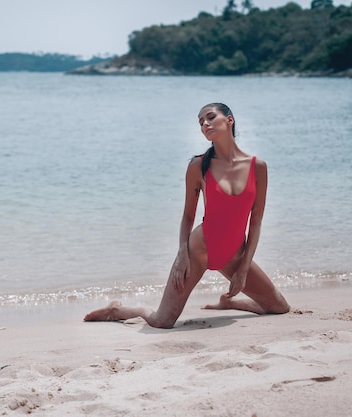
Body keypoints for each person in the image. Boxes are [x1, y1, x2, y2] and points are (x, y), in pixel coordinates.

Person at [84, 103, 290, 328]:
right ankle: (118, 310)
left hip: (235, 254)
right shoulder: (198, 165)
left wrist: (243, 268)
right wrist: (182, 253)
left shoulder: (258, 167)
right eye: (201, 122)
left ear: (229, 120)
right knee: (162, 321)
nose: (205, 124)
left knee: (279, 307)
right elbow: (187, 216)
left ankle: (231, 303)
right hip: (199, 250)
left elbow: (256, 221)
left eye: (211, 117)